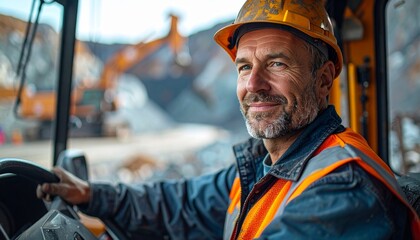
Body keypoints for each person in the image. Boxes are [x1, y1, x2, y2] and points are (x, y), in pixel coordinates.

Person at [37, 0, 420, 239]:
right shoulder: (266, 168)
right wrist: (91, 194)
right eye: (243, 67)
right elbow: (180, 204)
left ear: (322, 82)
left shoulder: (342, 187)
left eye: (276, 63)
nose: (254, 84)